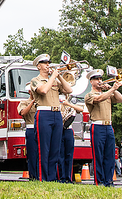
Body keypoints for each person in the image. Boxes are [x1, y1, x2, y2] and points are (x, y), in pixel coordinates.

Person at [28, 54, 72, 182]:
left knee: (55, 148)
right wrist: (52, 77)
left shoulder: (55, 81)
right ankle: (43, 177)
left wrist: (59, 76)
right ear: (39, 66)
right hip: (44, 113)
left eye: (48, 63)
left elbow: (69, 90)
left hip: (57, 114)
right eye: (45, 63)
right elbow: (43, 91)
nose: (48, 65)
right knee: (44, 148)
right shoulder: (35, 80)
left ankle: (52, 178)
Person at [84, 69, 122, 187]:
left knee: (110, 155)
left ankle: (109, 180)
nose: (99, 81)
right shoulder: (89, 95)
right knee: (99, 155)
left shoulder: (108, 94)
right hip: (97, 126)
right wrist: (112, 89)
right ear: (91, 81)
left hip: (108, 126)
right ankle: (99, 181)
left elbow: (121, 99)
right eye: (96, 79)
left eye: (100, 79)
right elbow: (99, 99)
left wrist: (112, 88)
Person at [59, 94, 84, 183]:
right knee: (60, 155)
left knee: (69, 155)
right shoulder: (57, 103)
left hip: (69, 130)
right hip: (59, 130)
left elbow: (80, 109)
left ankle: (68, 177)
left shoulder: (70, 105)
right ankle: (62, 177)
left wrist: (68, 104)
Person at [17, 84, 37, 181]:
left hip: (41, 129)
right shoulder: (24, 102)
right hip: (31, 129)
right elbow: (23, 112)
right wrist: (32, 103)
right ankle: (33, 176)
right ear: (29, 92)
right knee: (32, 154)